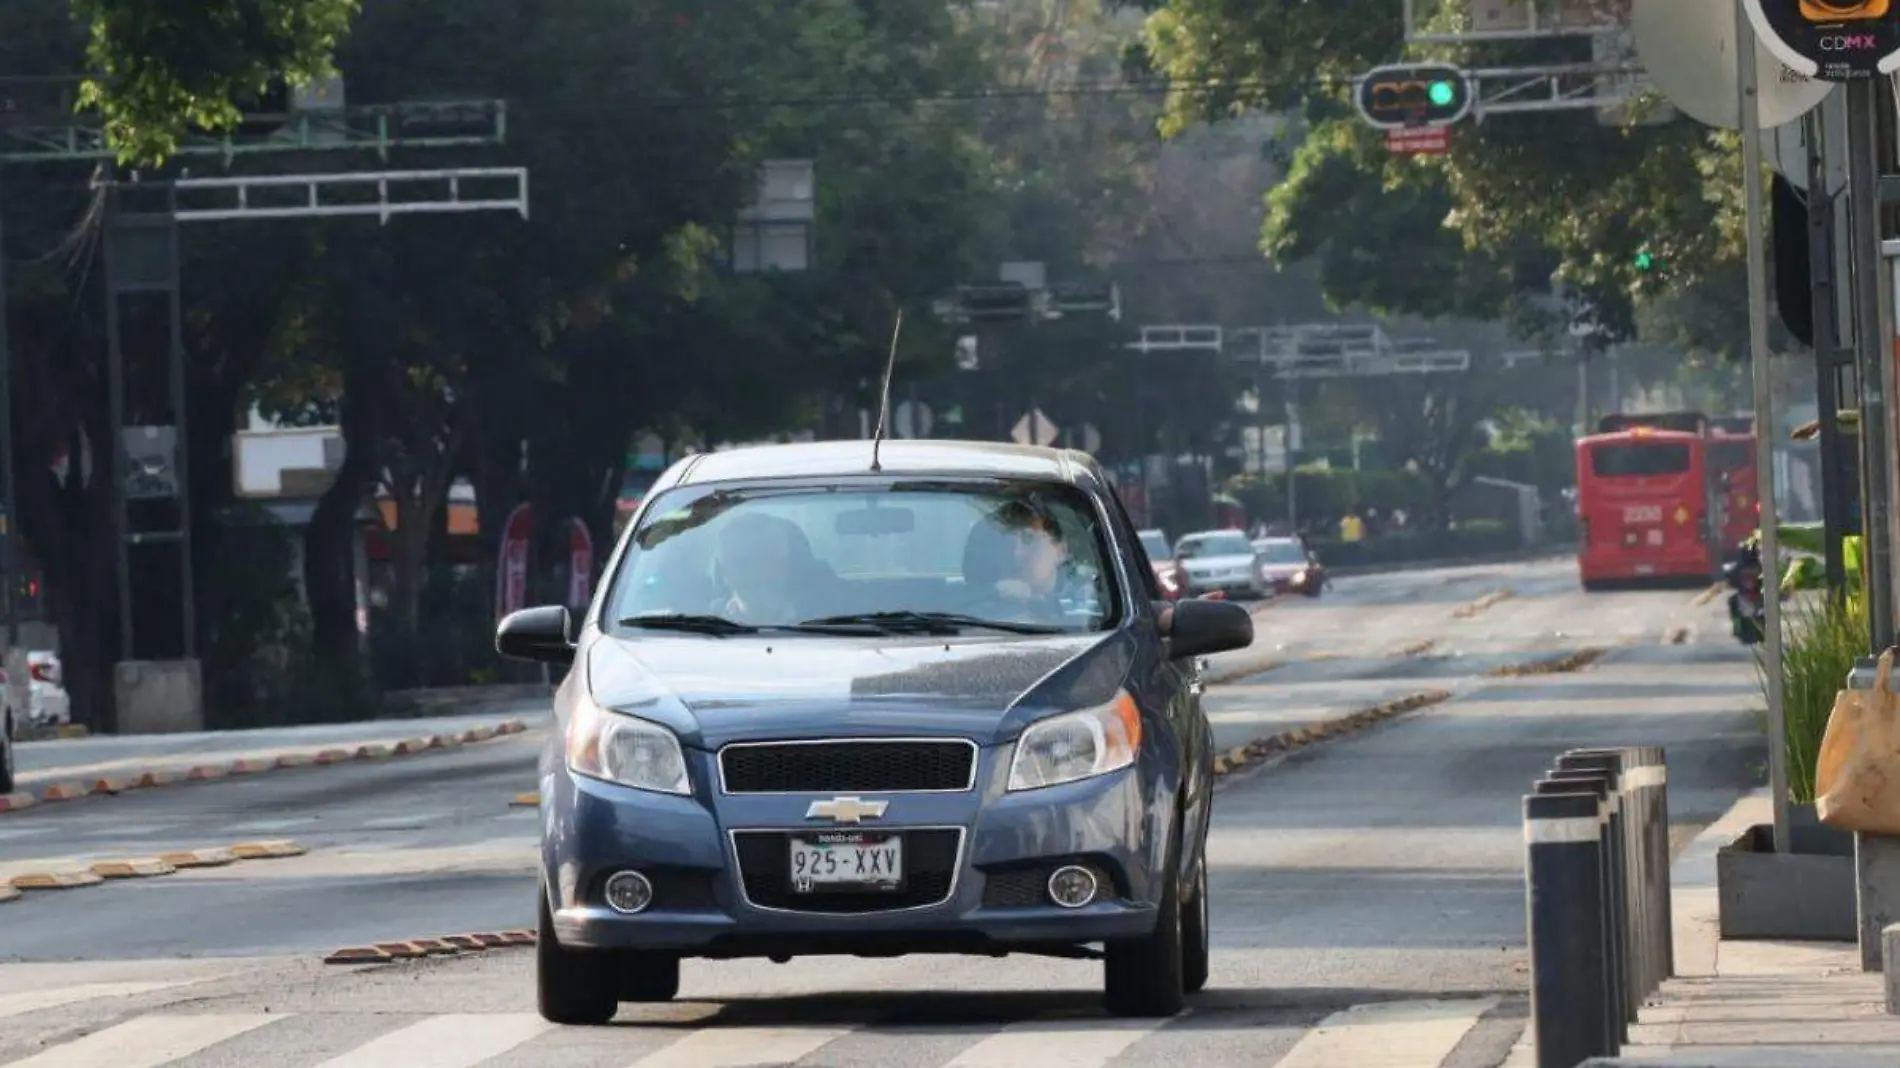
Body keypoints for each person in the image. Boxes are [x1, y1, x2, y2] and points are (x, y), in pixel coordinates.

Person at [711, 512, 817, 625]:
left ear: (788, 565)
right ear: (723, 571)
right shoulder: (699, 628)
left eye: (766, 559)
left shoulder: (823, 620)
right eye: (742, 562)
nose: (754, 573)